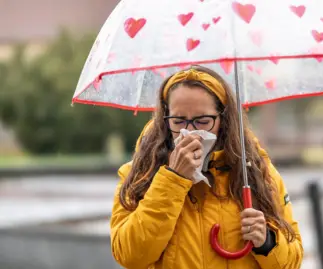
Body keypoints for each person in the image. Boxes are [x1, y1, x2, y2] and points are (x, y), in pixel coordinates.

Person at [110, 65, 303, 269]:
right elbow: (130, 256)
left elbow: (292, 261)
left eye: (203, 121)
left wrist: (267, 242)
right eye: (178, 121)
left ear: (224, 119)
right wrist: (173, 179)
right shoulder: (141, 173)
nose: (190, 131)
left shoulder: (256, 171)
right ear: (165, 120)